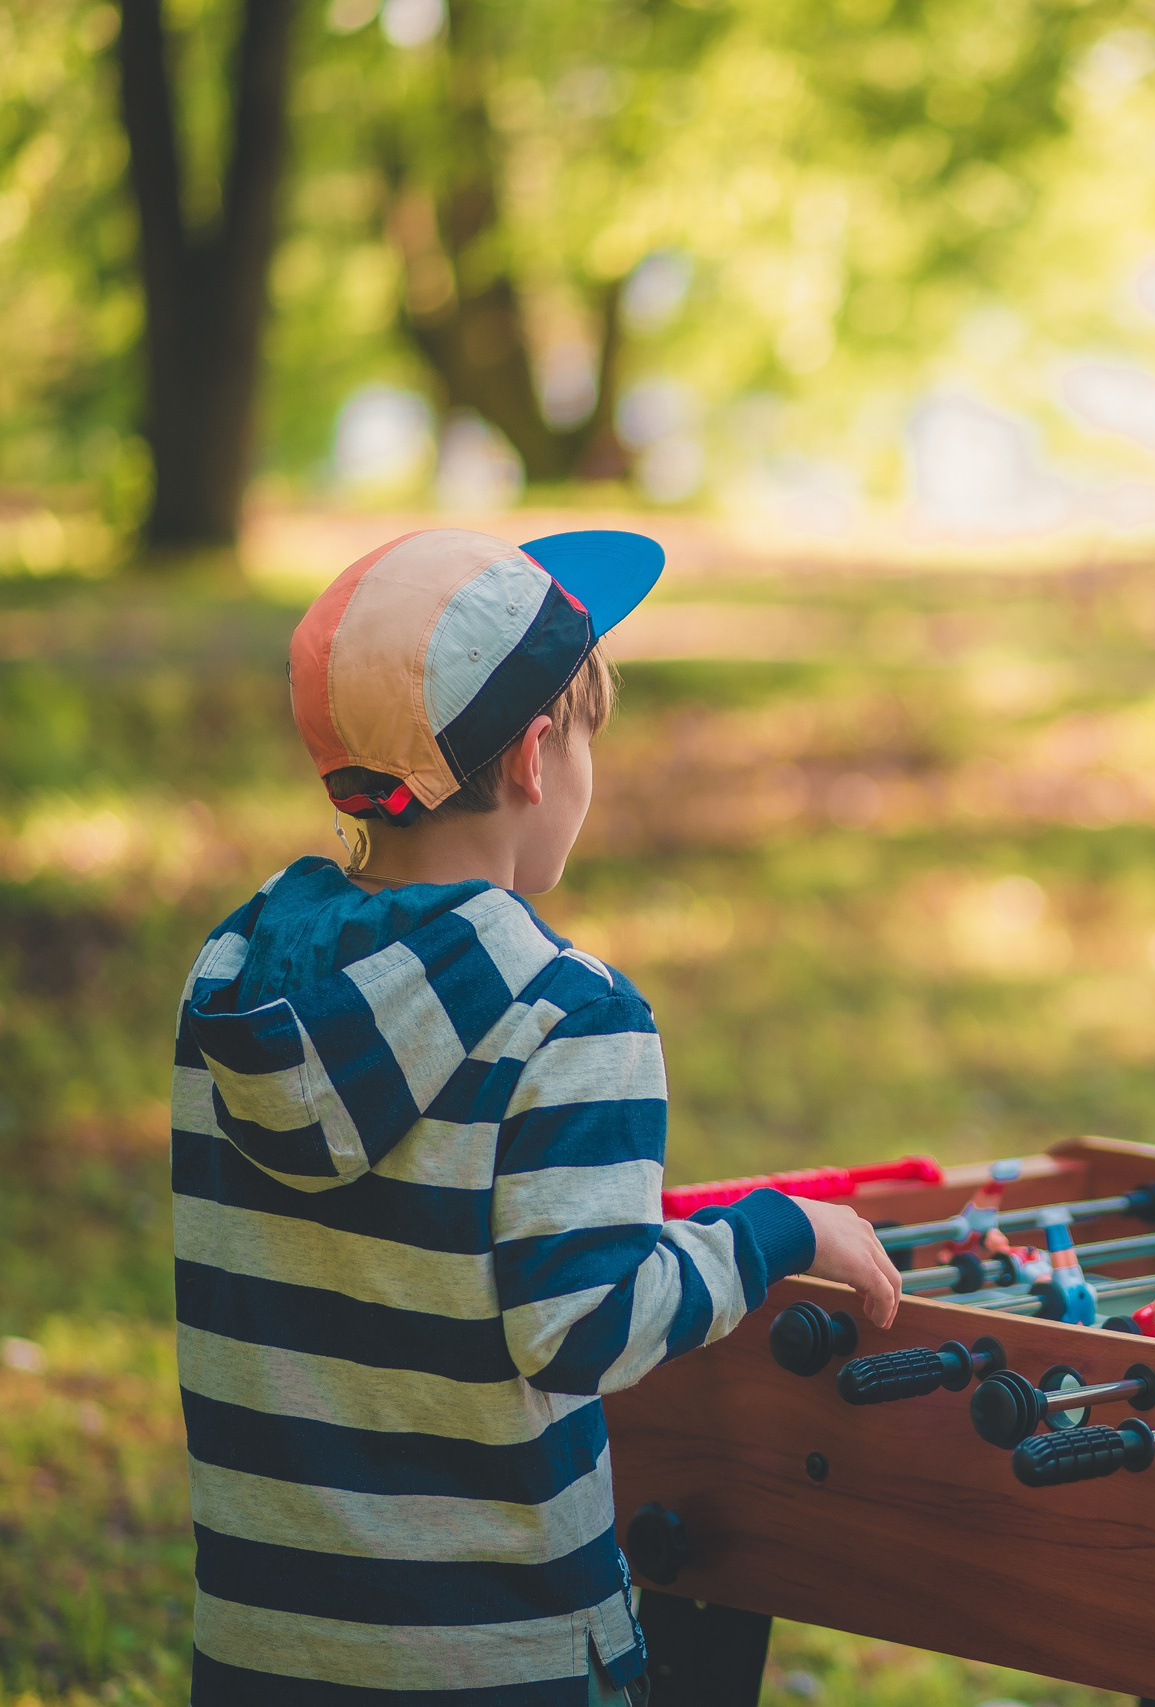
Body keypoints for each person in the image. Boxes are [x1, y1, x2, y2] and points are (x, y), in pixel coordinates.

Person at [172, 528, 903, 1705]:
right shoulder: (575, 1015)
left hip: (266, 1648)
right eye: (591, 741)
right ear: (536, 755)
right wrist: (782, 1231)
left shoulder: (234, 976)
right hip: (495, 1658)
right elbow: (589, 1327)